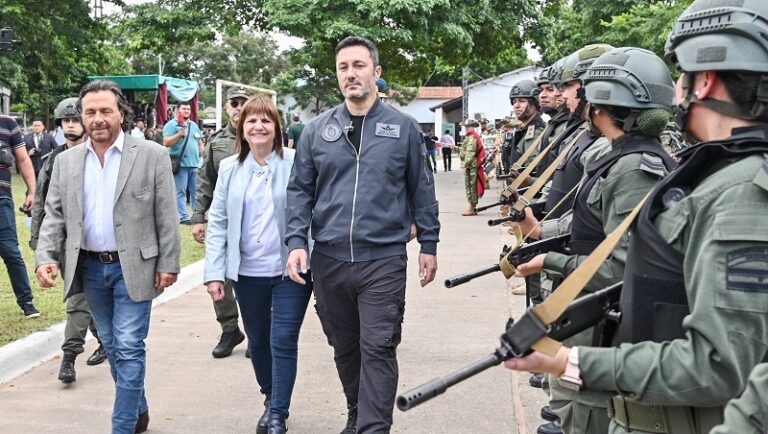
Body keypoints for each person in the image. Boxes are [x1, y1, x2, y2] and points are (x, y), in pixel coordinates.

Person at [505, 1, 768, 433]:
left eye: (682, 76)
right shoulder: (720, 171)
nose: (676, 91)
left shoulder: (741, 191)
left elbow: (719, 363)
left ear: (705, 81)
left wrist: (570, 361)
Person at [513, 47, 677, 434]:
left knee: (586, 417)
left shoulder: (635, 168)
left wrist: (550, 261)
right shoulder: (618, 158)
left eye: (581, 89)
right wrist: (539, 231)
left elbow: (622, 266)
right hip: (587, 314)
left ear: (602, 103)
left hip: (603, 327)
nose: (573, 96)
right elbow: (590, 222)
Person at [285, 36, 440, 434]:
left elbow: (422, 189)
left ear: (376, 72)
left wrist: (429, 244)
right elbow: (300, 191)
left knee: (379, 346)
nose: (350, 74)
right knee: (345, 346)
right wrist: (297, 242)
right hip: (330, 258)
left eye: (358, 65)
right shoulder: (318, 130)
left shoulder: (403, 129)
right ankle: (357, 409)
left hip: (382, 258)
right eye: (343, 68)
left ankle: (373, 427)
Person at [35, 80, 180, 434]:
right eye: (90, 112)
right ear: (81, 117)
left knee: (130, 346)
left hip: (136, 267)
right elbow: (54, 215)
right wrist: (45, 257)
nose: (98, 119)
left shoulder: (152, 155)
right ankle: (138, 407)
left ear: (121, 113)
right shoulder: (66, 163)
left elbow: (166, 214)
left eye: (105, 111)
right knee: (113, 345)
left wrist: (169, 263)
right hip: (89, 269)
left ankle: (122, 425)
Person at [205, 96, 312, 434]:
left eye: (266, 120)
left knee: (282, 339)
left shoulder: (295, 162)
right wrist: (214, 273)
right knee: (259, 340)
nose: (258, 126)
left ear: (277, 127)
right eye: (251, 121)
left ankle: (278, 413)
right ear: (242, 127)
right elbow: (218, 222)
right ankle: (270, 397)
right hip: (247, 273)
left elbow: (312, 210)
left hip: (290, 271)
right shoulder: (229, 168)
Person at [29, 97, 107, 383]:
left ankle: (69, 357)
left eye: (76, 120)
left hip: (89, 243)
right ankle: (105, 340)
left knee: (78, 300)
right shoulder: (52, 162)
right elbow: (42, 204)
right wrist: (39, 244)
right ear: (60, 125)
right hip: (60, 242)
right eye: (67, 121)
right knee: (86, 298)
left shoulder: (97, 158)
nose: (72, 125)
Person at [192, 85, 253, 358]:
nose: (239, 107)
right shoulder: (217, 141)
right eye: (234, 103)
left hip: (255, 221)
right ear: (227, 107)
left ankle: (256, 333)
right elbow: (205, 181)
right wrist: (198, 217)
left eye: (244, 102)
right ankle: (230, 329)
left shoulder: (262, 135)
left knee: (255, 279)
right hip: (223, 221)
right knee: (220, 278)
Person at [0, 115, 39, 318]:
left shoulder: (7, 123)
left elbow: (23, 159)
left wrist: (32, 191)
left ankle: (26, 301)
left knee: (10, 251)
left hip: (1, 198)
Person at [163, 101, 203, 224]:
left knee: (195, 192)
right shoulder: (171, 125)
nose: (187, 111)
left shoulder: (194, 125)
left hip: (194, 163)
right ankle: (183, 217)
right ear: (178, 110)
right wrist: (179, 135)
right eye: (184, 108)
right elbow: (166, 142)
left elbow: (199, 142)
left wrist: (203, 152)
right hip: (180, 164)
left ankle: (197, 215)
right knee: (180, 192)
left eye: (188, 109)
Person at [508, 79, 547, 168]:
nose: (516, 106)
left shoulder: (535, 133)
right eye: (514, 101)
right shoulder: (524, 130)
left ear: (535, 104)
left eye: (522, 101)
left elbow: (531, 172)